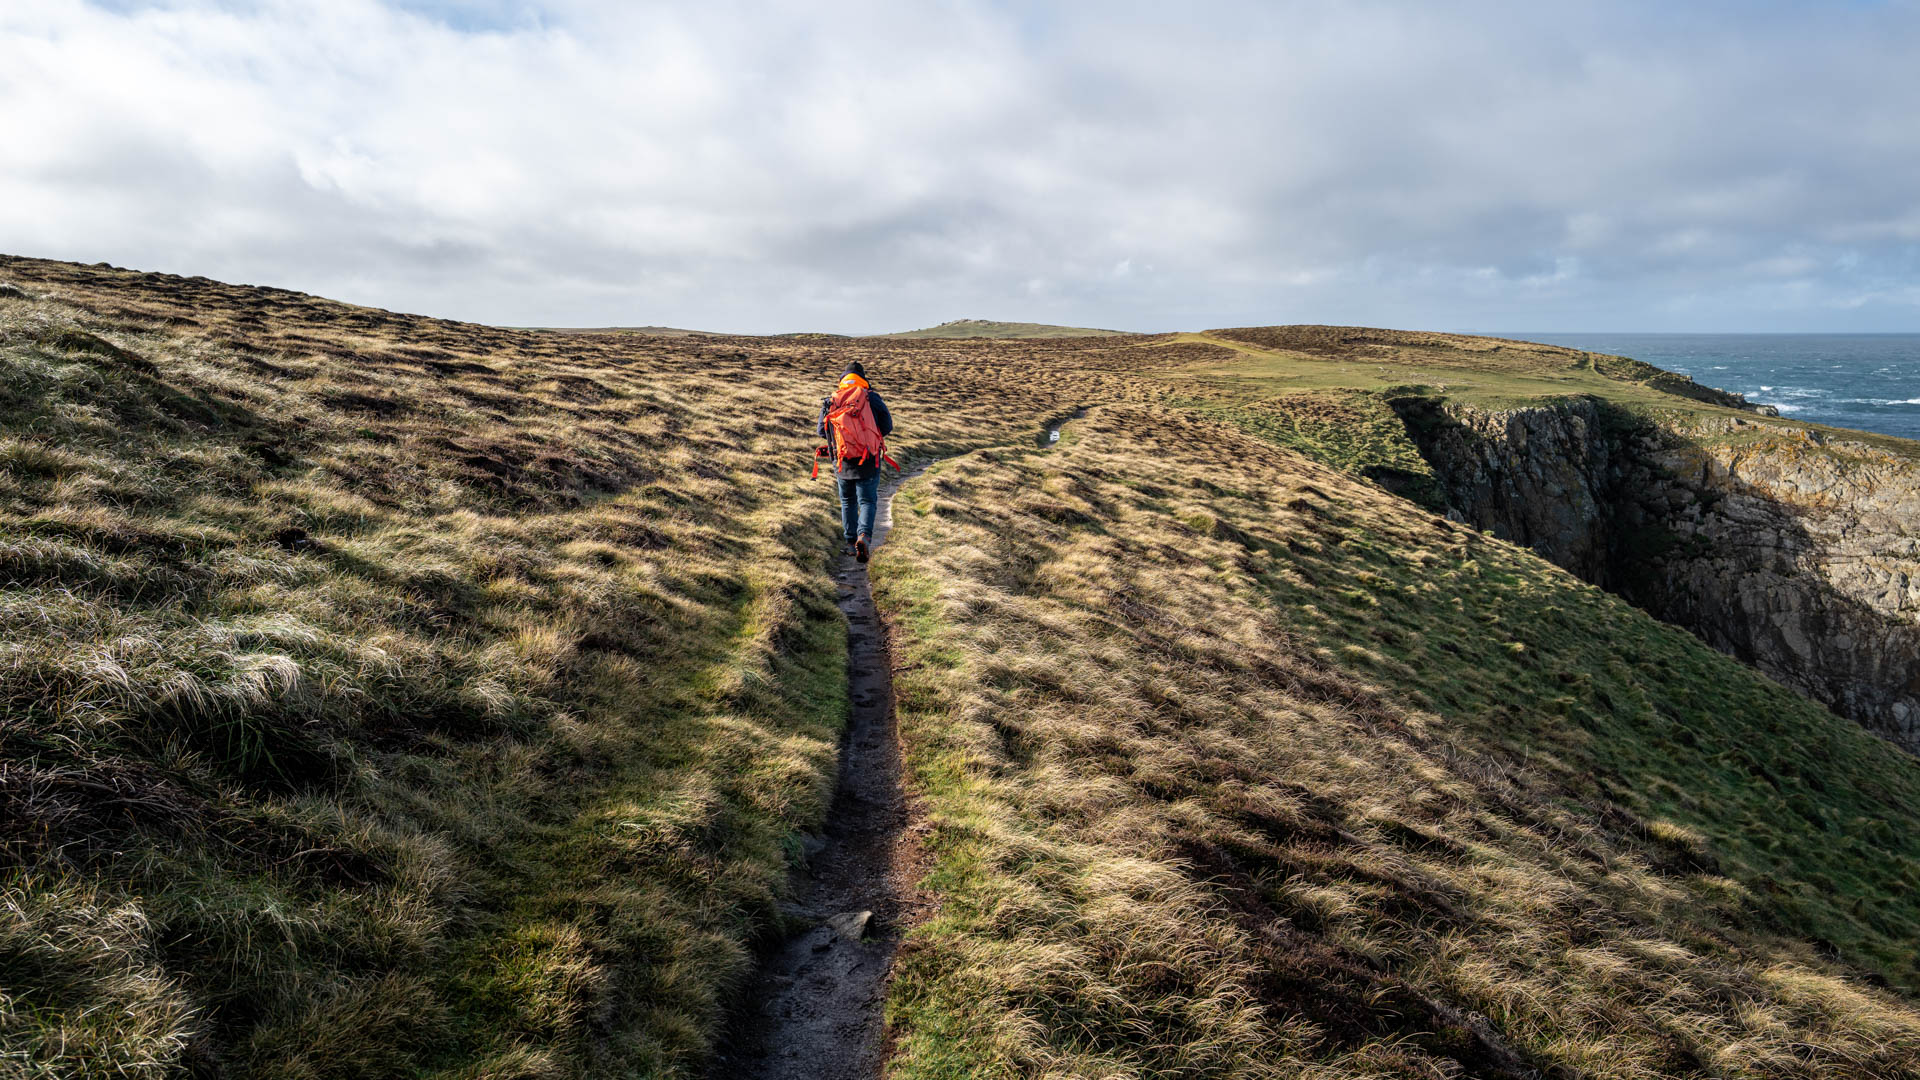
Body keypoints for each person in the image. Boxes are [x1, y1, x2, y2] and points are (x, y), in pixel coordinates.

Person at [817, 361, 893, 563]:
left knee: (847, 501)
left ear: (843, 379)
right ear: (863, 379)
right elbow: (887, 426)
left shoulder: (832, 399)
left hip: (842, 460)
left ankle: (851, 543)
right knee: (867, 501)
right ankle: (864, 537)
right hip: (868, 458)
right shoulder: (871, 397)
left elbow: (821, 431)